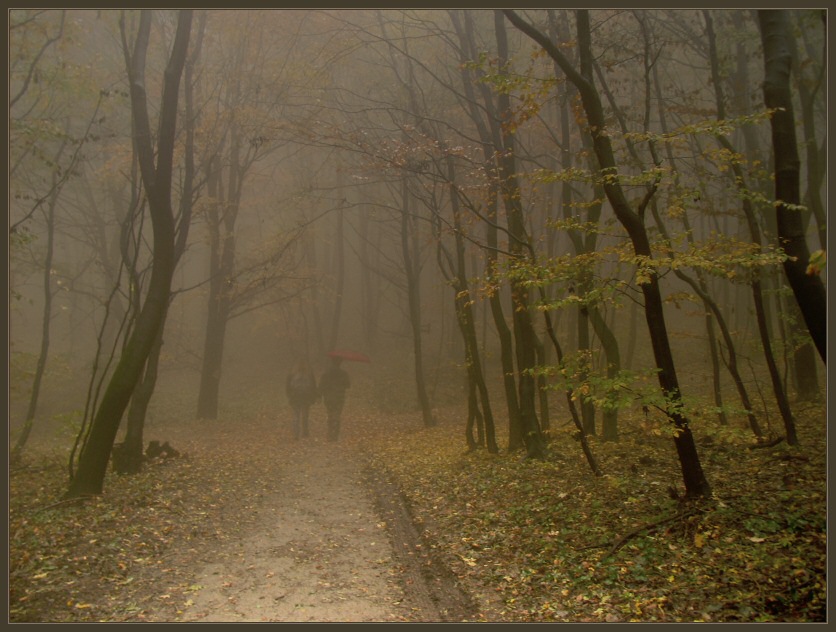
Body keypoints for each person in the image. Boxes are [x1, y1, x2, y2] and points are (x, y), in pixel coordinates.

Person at [319, 355, 350, 441]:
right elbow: (348, 385)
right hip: (339, 397)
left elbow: (322, 385)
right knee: (337, 415)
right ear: (340, 363)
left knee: (330, 414)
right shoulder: (343, 374)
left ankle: (330, 433)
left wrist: (319, 396)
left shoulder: (326, 373)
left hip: (328, 397)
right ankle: (335, 434)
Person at [286, 359, 318, 440]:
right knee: (305, 414)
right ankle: (305, 431)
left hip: (295, 397)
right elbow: (313, 387)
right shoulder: (309, 375)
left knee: (296, 415)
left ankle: (296, 433)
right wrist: (313, 397)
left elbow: (288, 387)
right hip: (306, 397)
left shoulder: (291, 375)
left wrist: (290, 396)